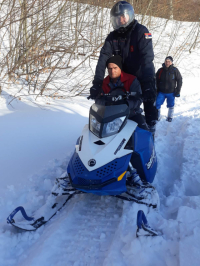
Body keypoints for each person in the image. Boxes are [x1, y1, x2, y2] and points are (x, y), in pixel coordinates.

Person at [89, 1, 158, 134]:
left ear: (130, 16)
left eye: (123, 17)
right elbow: (103, 58)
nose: (120, 20)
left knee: (149, 106)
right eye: (117, 18)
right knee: (122, 108)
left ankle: (150, 131)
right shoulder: (113, 37)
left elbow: (147, 59)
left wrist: (149, 82)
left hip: (143, 76)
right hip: (125, 80)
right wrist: (97, 83)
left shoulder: (141, 32)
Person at [102, 55, 148, 130]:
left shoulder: (132, 80)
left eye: (115, 68)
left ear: (120, 68)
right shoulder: (104, 82)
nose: (112, 71)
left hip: (131, 114)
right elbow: (98, 99)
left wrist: (126, 103)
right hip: (111, 115)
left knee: (143, 133)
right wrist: (107, 102)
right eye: (110, 69)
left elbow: (138, 99)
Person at [156, 56, 182, 122]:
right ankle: (157, 116)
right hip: (161, 92)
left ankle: (170, 117)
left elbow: (179, 80)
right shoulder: (160, 70)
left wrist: (178, 90)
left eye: (169, 61)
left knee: (171, 105)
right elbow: (155, 80)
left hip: (171, 92)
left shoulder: (175, 70)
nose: (167, 63)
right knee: (157, 104)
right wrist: (156, 89)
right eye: (166, 61)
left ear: (171, 63)